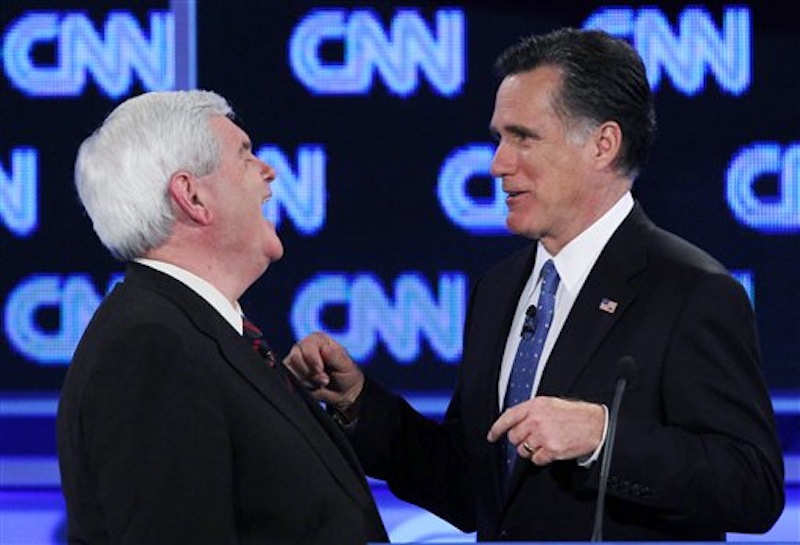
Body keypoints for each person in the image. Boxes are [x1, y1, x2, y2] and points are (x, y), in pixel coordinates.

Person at [284, 28, 785, 541]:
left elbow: (753, 487)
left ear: (602, 145)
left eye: (523, 137)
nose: (499, 164)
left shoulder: (690, 291)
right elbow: (472, 487)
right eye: (499, 138)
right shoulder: (500, 289)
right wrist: (359, 403)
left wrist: (602, 437)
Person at [56, 90, 388, 544]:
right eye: (246, 154)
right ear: (192, 195)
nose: (268, 170)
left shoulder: (203, 334)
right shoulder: (152, 347)